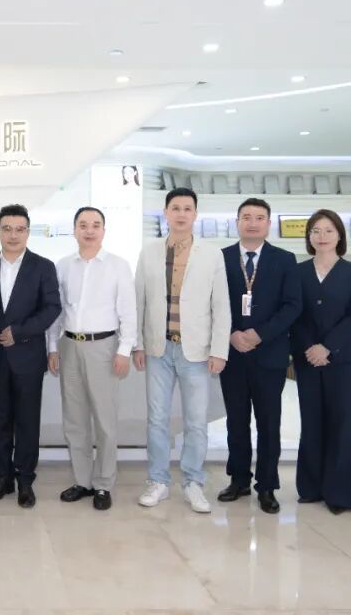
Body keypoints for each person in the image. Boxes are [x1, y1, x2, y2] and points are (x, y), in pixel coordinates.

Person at [134, 188, 230, 514]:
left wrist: (219, 350)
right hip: (158, 348)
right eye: (175, 208)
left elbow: (221, 306)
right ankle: (158, 481)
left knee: (196, 422)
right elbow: (139, 301)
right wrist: (138, 344)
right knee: (157, 419)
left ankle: (193, 482)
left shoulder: (211, 254)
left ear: (195, 215)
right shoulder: (149, 252)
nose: (181, 214)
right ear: (166, 213)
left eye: (187, 208)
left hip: (197, 351)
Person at [47, 206, 136, 511]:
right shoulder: (63, 266)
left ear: (103, 230)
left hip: (104, 348)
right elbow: (57, 311)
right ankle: (82, 481)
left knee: (105, 421)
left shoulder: (118, 265)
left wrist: (124, 350)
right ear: (74, 230)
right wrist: (53, 347)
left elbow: (128, 311)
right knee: (75, 419)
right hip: (70, 345)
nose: (89, 230)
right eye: (83, 225)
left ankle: (103, 484)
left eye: (95, 225)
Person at [218, 198, 301, 514]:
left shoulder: (285, 259)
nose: (252, 223)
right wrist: (231, 334)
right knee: (236, 421)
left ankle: (267, 486)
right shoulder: (221, 258)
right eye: (246, 217)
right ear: (237, 222)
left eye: (259, 217)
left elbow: (292, 305)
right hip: (232, 353)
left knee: (269, 422)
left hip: (269, 354)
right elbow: (211, 303)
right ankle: (238, 479)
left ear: (268, 223)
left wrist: (259, 334)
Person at [0, 204, 61, 508]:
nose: (13, 235)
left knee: (27, 422)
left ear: (27, 232)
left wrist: (20, 332)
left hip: (27, 356)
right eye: (7, 229)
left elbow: (52, 308)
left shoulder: (43, 266)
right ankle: (3, 478)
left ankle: (25, 480)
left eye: (19, 229)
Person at [291, 209, 351, 515]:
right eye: (315, 231)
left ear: (339, 235)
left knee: (340, 422)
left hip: (344, 360)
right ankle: (310, 488)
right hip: (307, 358)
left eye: (328, 230)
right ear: (308, 237)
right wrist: (310, 347)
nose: (321, 236)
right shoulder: (297, 272)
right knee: (311, 420)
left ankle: (340, 493)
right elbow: (293, 313)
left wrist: (328, 347)